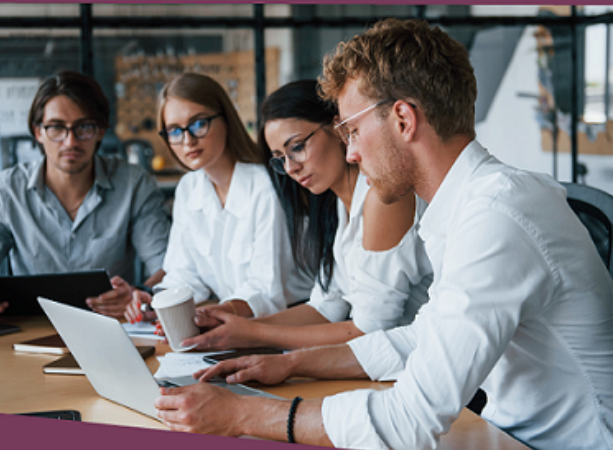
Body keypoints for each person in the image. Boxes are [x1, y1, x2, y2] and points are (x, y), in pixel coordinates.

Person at [154, 19, 613, 450]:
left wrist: (246, 415)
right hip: (507, 434)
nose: (350, 152)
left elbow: (409, 420)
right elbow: (419, 339)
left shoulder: (497, 218)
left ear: (403, 119)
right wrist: (287, 363)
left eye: (352, 130)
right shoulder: (471, 207)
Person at [179, 79, 431, 351]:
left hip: (426, 369)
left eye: (297, 147)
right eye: (280, 157)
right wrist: (229, 323)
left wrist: (252, 333)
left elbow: (369, 330)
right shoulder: (335, 207)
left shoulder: (383, 197)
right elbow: (327, 305)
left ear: (338, 129)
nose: (291, 168)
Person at [0, 71, 170, 320]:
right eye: (57, 128)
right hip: (28, 332)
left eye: (84, 127)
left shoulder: (134, 184)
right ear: (38, 132)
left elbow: (168, 270)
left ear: (100, 131)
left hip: (111, 329)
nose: (70, 141)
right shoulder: (6, 191)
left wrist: (141, 295)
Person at [125, 73, 313, 324]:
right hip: (232, 321)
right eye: (174, 131)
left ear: (225, 118)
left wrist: (215, 313)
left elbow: (266, 290)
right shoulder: (188, 188)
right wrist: (156, 301)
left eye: (199, 124)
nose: (188, 140)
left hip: (290, 321)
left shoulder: (265, 186)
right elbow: (184, 275)